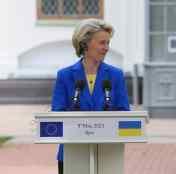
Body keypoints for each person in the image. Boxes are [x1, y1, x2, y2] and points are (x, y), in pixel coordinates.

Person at [51, 19, 130, 174]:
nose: (107, 48)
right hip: (72, 153)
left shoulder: (116, 75)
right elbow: (57, 114)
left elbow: (123, 112)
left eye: (108, 43)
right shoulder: (65, 75)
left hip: (108, 155)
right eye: (102, 43)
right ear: (85, 44)